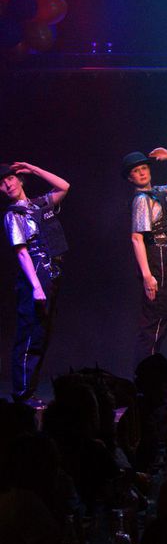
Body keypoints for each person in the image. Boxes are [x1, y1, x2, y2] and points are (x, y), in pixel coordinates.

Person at [1, 162, 70, 404]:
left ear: (19, 179)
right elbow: (22, 253)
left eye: (10, 178)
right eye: (2, 183)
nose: (7, 184)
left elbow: (64, 186)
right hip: (35, 273)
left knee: (42, 335)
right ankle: (22, 394)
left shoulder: (39, 204)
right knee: (30, 335)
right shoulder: (13, 215)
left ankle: (28, 392)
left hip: (51, 272)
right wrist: (36, 286)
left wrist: (34, 169)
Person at [122, 148, 167, 363]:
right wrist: (147, 276)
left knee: (163, 315)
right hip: (157, 255)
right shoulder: (141, 200)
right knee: (156, 316)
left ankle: (150, 370)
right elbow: (137, 238)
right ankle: (145, 372)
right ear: (130, 178)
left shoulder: (161, 192)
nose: (142, 172)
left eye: (144, 168)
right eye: (136, 171)